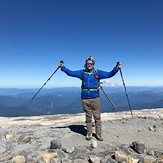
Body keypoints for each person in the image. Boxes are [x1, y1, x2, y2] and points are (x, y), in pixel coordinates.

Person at [59, 56, 121, 141]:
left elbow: (109, 74)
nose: (89, 65)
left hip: (95, 98)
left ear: (93, 64)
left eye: (91, 63)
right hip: (85, 99)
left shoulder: (97, 73)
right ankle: (89, 133)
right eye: (88, 63)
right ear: (86, 64)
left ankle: (98, 133)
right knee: (88, 116)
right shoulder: (82, 73)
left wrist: (116, 68)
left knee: (97, 116)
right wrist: (63, 67)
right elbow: (71, 73)